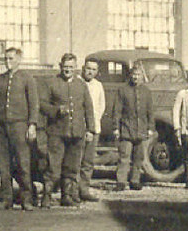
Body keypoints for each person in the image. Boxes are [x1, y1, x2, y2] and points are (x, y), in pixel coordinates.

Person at [0, 47, 39, 210]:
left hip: (20, 126)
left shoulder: (27, 78)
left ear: (19, 60)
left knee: (23, 163)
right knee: (3, 164)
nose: (8, 62)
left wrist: (32, 125)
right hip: (1, 127)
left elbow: (33, 103)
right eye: (6, 59)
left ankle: (26, 199)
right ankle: (6, 199)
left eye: (11, 59)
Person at [39, 53, 96, 207]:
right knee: (53, 166)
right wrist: (56, 110)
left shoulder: (81, 85)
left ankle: (67, 196)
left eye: (71, 67)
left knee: (72, 166)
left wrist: (91, 129)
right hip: (57, 133)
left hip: (77, 133)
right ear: (60, 66)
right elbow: (42, 105)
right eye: (65, 67)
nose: (68, 70)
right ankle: (47, 196)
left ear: (76, 68)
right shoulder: (52, 83)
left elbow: (89, 109)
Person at [109, 64, 154, 190]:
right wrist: (116, 128)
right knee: (124, 156)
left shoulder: (146, 91)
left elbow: (150, 111)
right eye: (134, 74)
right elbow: (117, 110)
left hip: (141, 129)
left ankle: (135, 180)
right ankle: (121, 182)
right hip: (126, 129)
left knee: (138, 157)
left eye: (138, 74)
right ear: (130, 75)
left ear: (142, 76)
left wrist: (150, 127)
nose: (136, 77)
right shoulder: (122, 90)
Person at [78, 59, 105, 202]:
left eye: (94, 70)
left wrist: (93, 124)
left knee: (88, 161)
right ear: (83, 68)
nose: (90, 72)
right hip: (78, 128)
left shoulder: (98, 86)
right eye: (88, 68)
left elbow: (101, 106)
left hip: (94, 128)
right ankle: (72, 191)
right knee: (76, 160)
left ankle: (84, 189)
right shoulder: (77, 82)